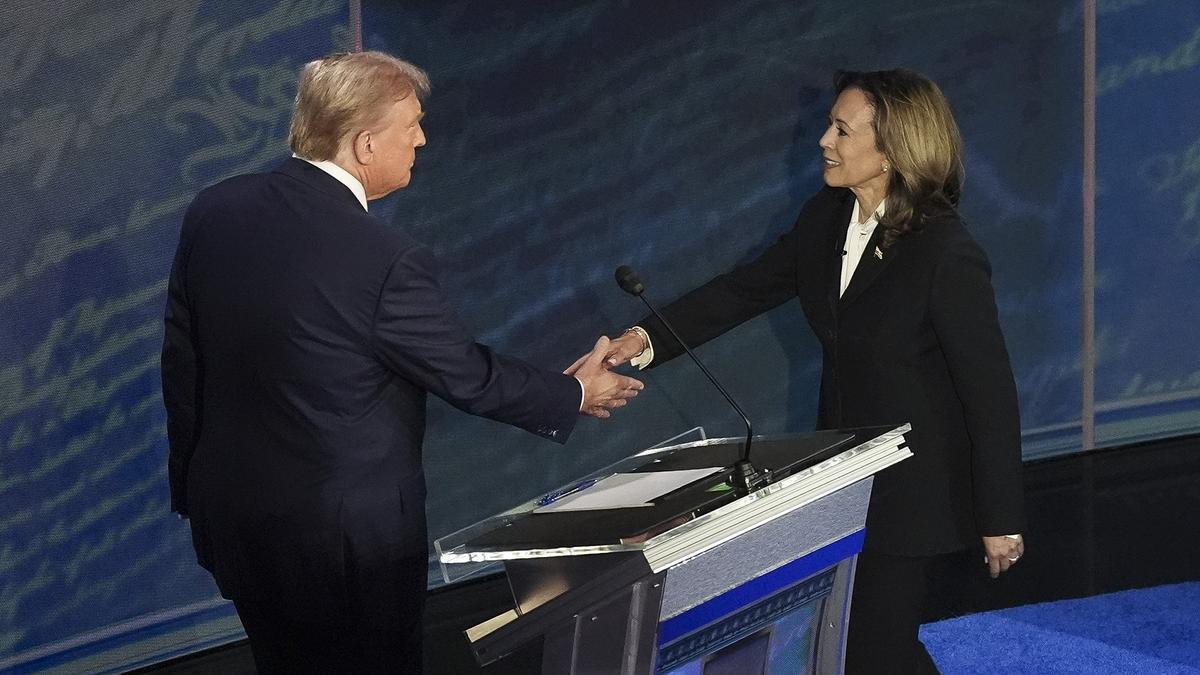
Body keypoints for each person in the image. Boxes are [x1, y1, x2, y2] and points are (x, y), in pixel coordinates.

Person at [160, 51, 643, 674]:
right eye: (411, 124)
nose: (423, 138)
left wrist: (196, 495)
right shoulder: (383, 257)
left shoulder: (215, 210)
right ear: (364, 144)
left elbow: (183, 365)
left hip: (240, 522)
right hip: (348, 552)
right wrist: (571, 393)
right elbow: (464, 374)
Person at [591, 69, 1025, 673]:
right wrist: (642, 338)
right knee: (863, 645)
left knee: (874, 646)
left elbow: (990, 389)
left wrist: (1000, 514)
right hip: (842, 478)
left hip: (913, 489)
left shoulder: (943, 251)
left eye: (841, 130)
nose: (824, 140)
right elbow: (741, 292)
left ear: (892, 150)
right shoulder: (826, 219)